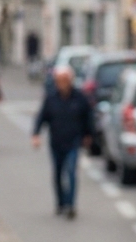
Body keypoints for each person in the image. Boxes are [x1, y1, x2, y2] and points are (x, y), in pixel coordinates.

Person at [31, 66, 94, 219]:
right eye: (59, 81)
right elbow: (42, 117)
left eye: (65, 80)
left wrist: (88, 134)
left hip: (73, 141)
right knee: (58, 173)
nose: (62, 83)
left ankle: (71, 205)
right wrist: (36, 134)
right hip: (56, 141)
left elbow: (88, 117)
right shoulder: (51, 98)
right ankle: (60, 202)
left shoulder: (79, 97)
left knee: (71, 171)